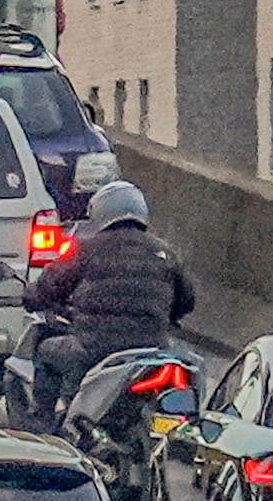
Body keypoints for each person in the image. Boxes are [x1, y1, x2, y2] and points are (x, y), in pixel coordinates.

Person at [20, 179, 194, 418]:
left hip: (93, 351)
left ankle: (43, 425)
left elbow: (48, 287)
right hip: (152, 352)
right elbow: (186, 302)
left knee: (46, 351)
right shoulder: (164, 252)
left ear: (100, 213)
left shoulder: (85, 249)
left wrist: (32, 295)